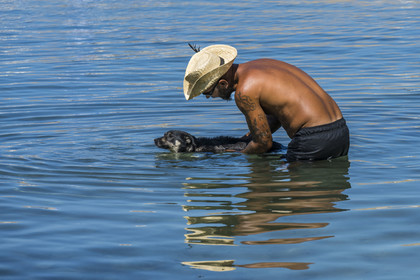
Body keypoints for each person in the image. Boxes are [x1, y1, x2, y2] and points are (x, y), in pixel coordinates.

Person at [183, 44, 349, 162]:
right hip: (340, 132)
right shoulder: (263, 65)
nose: (209, 98)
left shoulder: (244, 92)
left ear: (223, 84)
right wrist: (243, 142)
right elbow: (278, 116)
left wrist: (237, 157)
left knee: (265, 197)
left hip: (313, 140)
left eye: (207, 93)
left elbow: (263, 143)